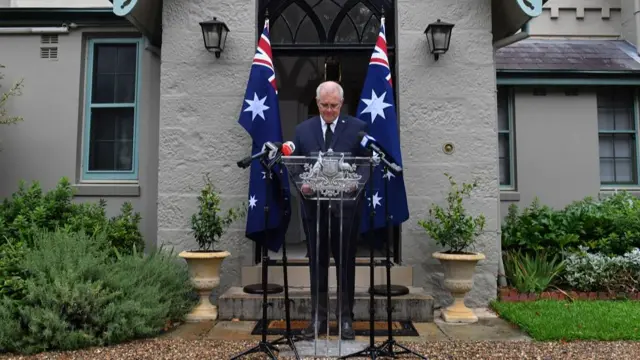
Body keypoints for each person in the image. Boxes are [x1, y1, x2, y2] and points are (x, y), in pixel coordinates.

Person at [291, 81, 369, 340]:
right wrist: (303, 186)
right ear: (317, 103)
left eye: (334, 106)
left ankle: (345, 319)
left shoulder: (357, 129)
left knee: (345, 265)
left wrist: (353, 183)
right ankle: (317, 319)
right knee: (317, 265)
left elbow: (366, 165)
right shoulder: (303, 130)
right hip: (314, 213)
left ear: (341, 104)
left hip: (346, 211)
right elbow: (294, 166)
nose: (329, 110)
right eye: (324, 105)